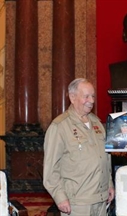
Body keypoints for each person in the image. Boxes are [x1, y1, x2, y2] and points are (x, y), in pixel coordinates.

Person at [43, 78, 115, 216]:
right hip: (77, 203)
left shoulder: (97, 123)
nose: (92, 100)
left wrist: (109, 184)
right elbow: (51, 168)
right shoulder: (59, 126)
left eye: (93, 96)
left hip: (100, 199)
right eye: (86, 96)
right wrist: (60, 197)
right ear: (72, 97)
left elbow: (105, 158)